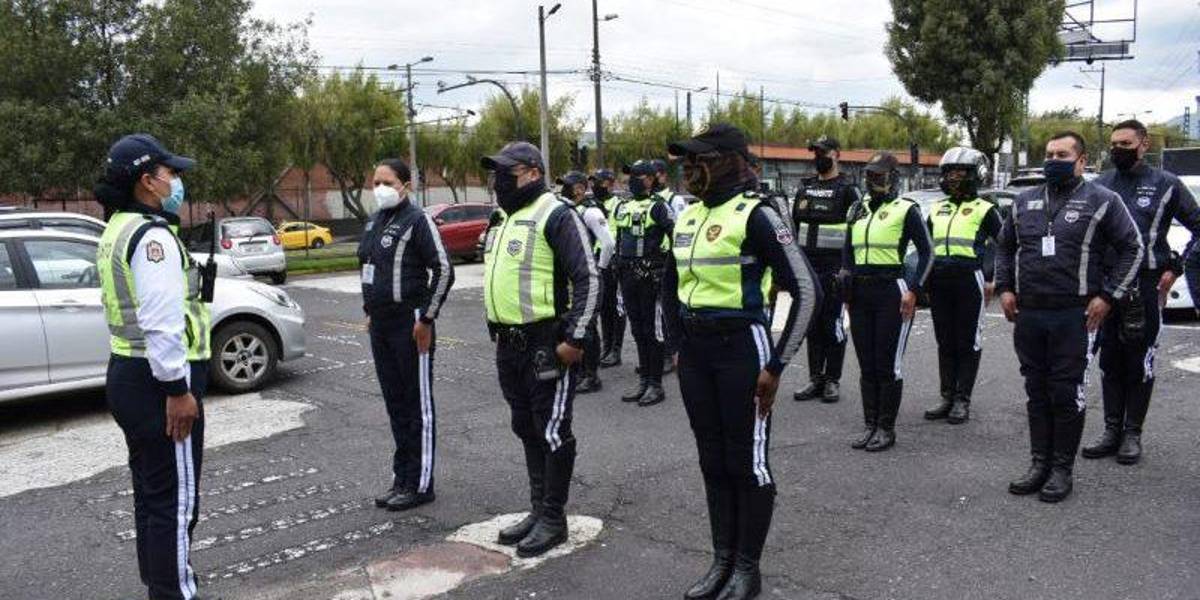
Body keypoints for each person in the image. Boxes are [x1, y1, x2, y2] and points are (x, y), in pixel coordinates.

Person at [662, 123, 820, 600]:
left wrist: (777, 365)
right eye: (686, 162)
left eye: (701, 160)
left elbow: (808, 290)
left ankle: (747, 568)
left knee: (747, 462)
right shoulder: (687, 216)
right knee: (713, 460)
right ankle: (721, 560)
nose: (691, 170)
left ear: (730, 159)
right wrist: (674, 343)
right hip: (696, 353)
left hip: (742, 351)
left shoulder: (758, 215)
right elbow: (670, 288)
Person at [94, 134, 213, 599]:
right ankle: (174, 592)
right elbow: (162, 323)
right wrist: (178, 390)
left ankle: (161, 585)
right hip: (159, 382)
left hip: (127, 372)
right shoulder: (152, 237)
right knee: (176, 503)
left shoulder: (118, 227)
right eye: (171, 173)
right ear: (148, 181)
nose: (176, 181)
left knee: (152, 495)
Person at [996, 131, 1144, 503]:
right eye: (1049, 153)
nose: (1053, 159)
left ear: (1081, 161)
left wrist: (1109, 296)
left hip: (1074, 315)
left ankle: (1062, 469)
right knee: (1037, 391)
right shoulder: (1023, 201)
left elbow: (1133, 248)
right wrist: (1006, 288)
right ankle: (1039, 463)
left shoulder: (1102, 200)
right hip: (1030, 313)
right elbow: (1004, 247)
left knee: (1066, 392)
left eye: (1062, 154)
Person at [480, 142, 599, 557]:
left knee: (551, 430)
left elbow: (588, 278)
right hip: (508, 345)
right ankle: (537, 510)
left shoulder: (556, 213)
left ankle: (553, 517)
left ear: (532, 172)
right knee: (526, 426)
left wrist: (574, 339)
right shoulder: (502, 217)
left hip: (545, 343)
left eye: (504, 172)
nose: (497, 181)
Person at [1084, 120, 1200, 464]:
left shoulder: (1167, 184)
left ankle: (1132, 433)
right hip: (1106, 287)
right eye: (1113, 143)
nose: (1118, 148)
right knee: (1109, 360)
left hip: (1146, 285)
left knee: (1139, 360)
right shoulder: (1101, 183)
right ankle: (1110, 429)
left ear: (1143, 144)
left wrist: (1174, 267)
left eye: (1125, 143)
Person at [358, 158, 454, 512]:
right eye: (375, 182)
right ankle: (402, 477)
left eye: (386, 181)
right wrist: (369, 309)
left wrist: (426, 318)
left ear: (404, 185)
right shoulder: (376, 221)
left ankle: (421, 483)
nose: (379, 188)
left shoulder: (417, 221)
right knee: (396, 404)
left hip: (410, 323)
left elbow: (443, 270)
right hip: (381, 324)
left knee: (418, 406)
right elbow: (368, 268)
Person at [843, 152, 933, 452]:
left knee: (886, 364)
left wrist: (914, 290)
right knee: (866, 364)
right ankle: (870, 425)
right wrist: (846, 286)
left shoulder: (906, 209)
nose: (872, 180)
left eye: (879, 175)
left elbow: (926, 252)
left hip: (891, 291)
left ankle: (886, 427)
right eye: (869, 175)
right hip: (860, 294)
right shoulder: (857, 209)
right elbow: (848, 252)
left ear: (894, 177)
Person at [922, 147, 1003, 425]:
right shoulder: (935, 208)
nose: (953, 178)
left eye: (960, 172)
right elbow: (924, 248)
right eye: (949, 172)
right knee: (945, 341)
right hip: (939, 282)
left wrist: (991, 277)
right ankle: (946, 396)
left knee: (967, 342)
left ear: (975, 175)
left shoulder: (986, 209)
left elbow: (1003, 246)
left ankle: (962, 399)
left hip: (970, 280)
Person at [791, 136, 860, 404]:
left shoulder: (848, 190)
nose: (818, 156)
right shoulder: (805, 189)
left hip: (835, 269)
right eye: (815, 152)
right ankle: (815, 378)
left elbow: (857, 231)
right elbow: (795, 229)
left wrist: (848, 269)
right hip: (808, 267)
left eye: (823, 152)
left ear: (837, 154)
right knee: (812, 325)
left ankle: (832, 379)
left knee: (832, 325)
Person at [613, 159, 675, 406]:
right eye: (629, 177)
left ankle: (656, 384)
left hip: (650, 276)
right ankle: (644, 381)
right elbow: (619, 237)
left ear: (649, 179)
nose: (631, 181)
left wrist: (664, 268)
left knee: (653, 331)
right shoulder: (623, 206)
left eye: (636, 177)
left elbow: (676, 237)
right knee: (637, 330)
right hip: (627, 275)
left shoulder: (659, 207)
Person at [558, 170, 616, 393]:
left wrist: (598, 269)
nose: (562, 189)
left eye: (566, 185)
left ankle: (591, 376)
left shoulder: (591, 211)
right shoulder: (571, 210)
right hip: (573, 276)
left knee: (587, 324)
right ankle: (580, 371)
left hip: (587, 275)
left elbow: (608, 243)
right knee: (575, 322)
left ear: (580, 189)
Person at [592, 168, 628, 368]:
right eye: (594, 182)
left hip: (614, 260)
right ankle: (606, 348)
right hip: (598, 259)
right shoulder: (594, 205)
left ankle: (616, 349)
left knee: (616, 307)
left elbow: (620, 232)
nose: (596, 186)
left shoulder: (618, 205)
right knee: (604, 307)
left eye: (600, 182)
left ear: (610, 183)